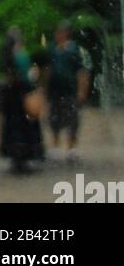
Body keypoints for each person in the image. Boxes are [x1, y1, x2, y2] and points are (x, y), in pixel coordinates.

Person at [0, 27, 45, 174]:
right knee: (24, 128)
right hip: (23, 95)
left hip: (13, 97)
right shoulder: (20, 55)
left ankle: (16, 158)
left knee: (14, 128)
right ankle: (22, 157)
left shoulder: (8, 55)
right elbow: (29, 76)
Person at [45, 21, 90, 162]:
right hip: (55, 91)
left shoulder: (74, 49)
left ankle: (71, 147)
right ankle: (55, 145)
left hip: (70, 90)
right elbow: (48, 70)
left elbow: (81, 71)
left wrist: (82, 90)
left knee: (72, 119)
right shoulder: (52, 49)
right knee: (54, 118)